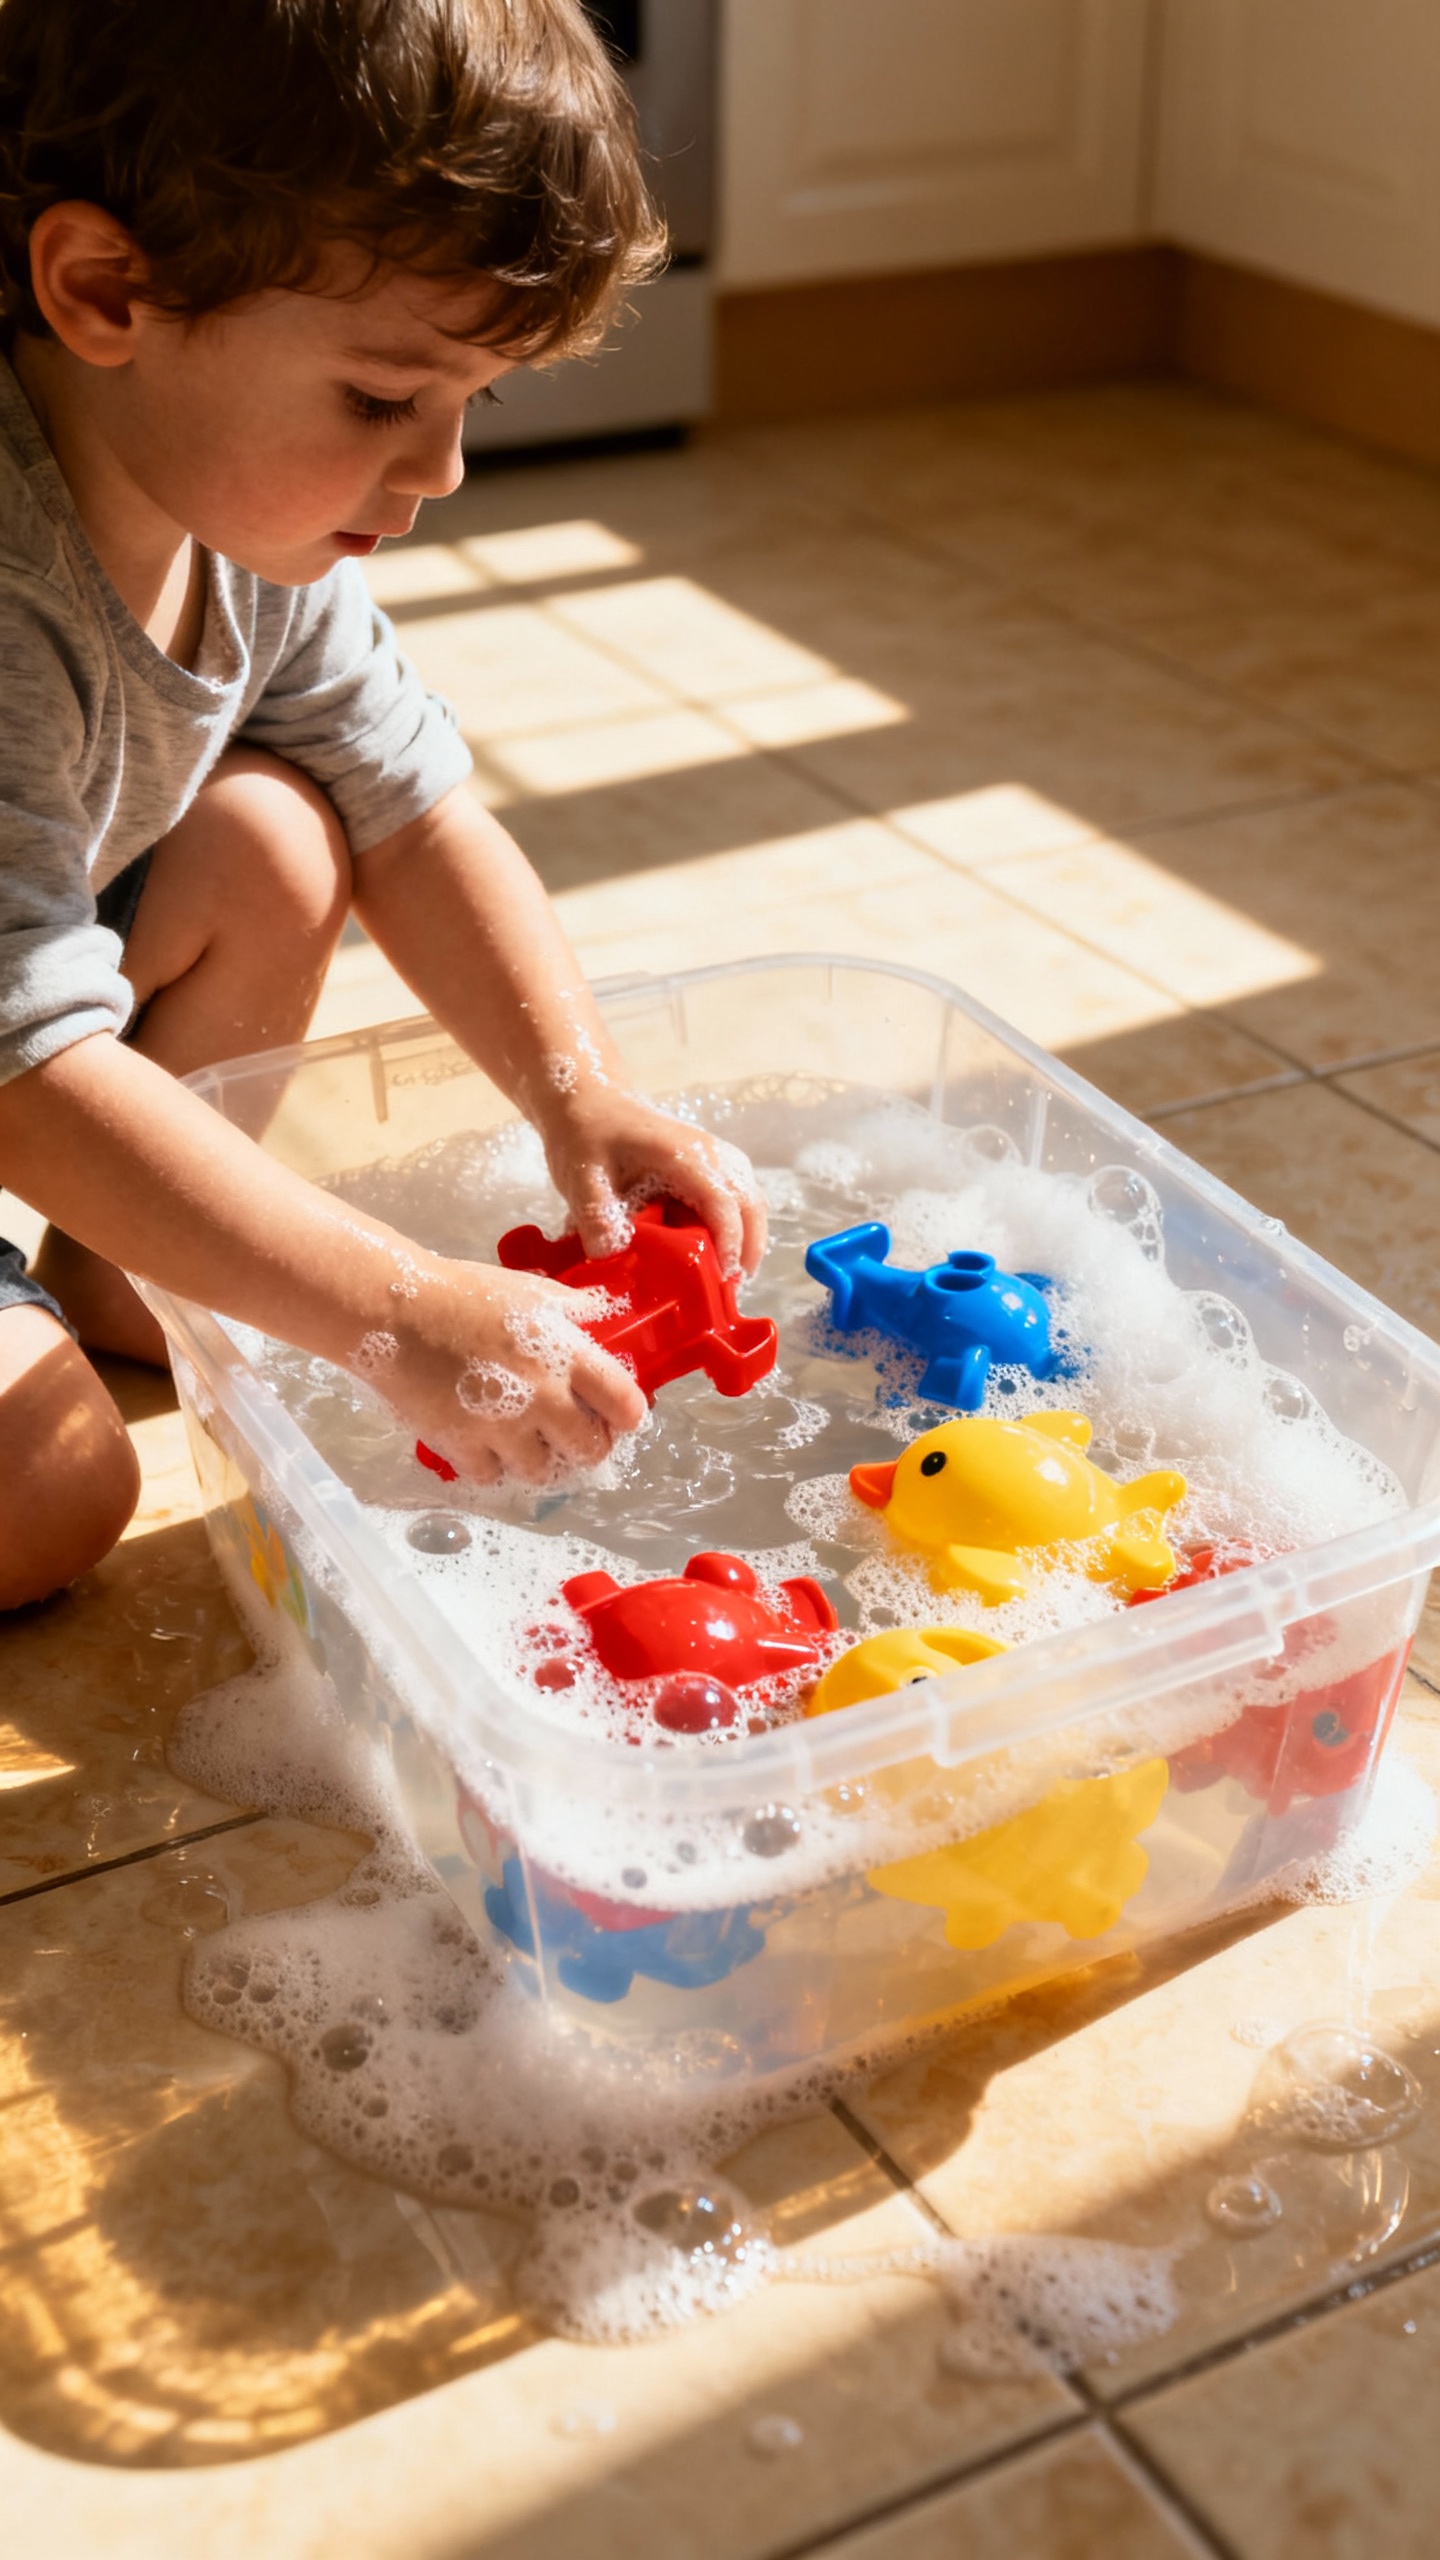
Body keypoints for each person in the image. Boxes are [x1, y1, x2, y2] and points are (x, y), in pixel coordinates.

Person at [0, 0, 765, 1609]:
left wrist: (582, 1099)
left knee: (283, 833)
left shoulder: (239, 522)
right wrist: (395, 1309)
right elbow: (23, 1064)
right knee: (47, 1494)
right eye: (379, 400)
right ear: (105, 291)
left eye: (469, 403)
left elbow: (414, 821)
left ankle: (126, 1275)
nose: (440, 473)